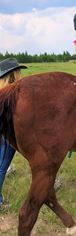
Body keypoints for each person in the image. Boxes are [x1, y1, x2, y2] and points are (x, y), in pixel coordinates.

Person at [0, 58, 27, 208]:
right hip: (8, 135)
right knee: (2, 166)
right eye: (18, 71)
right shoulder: (11, 92)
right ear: (12, 74)